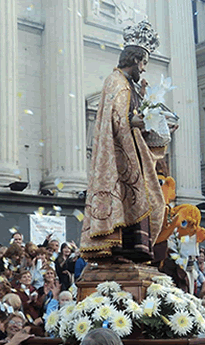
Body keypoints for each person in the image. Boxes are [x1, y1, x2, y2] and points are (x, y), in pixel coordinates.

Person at [80, 20, 172, 264]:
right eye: (143, 63)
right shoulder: (115, 82)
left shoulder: (130, 85)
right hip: (119, 157)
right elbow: (118, 119)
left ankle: (134, 251)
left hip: (131, 154)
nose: (143, 69)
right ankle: (118, 248)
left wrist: (151, 117)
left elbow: (130, 118)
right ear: (134, 59)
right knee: (133, 198)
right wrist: (140, 120)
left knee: (151, 199)